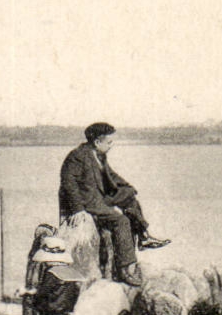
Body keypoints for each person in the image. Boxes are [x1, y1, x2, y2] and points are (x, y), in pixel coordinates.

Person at [58, 122, 170, 288]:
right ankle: (126, 269)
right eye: (109, 142)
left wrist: (129, 188)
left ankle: (144, 236)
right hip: (89, 202)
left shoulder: (99, 155)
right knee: (121, 220)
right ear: (97, 142)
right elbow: (68, 183)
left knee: (130, 198)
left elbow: (111, 176)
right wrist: (77, 210)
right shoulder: (77, 156)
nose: (112, 145)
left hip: (100, 197)